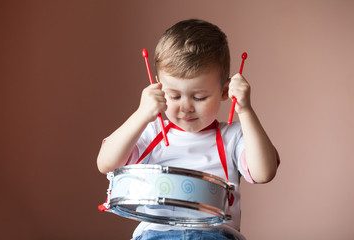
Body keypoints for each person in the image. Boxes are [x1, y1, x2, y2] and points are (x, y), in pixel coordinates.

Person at [97, 19, 279, 240]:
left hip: (214, 234)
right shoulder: (151, 131)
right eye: (174, 96)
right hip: (156, 233)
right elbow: (105, 163)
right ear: (157, 87)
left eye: (199, 97)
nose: (186, 107)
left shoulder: (233, 136)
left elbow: (264, 173)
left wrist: (246, 110)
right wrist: (141, 114)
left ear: (224, 92)